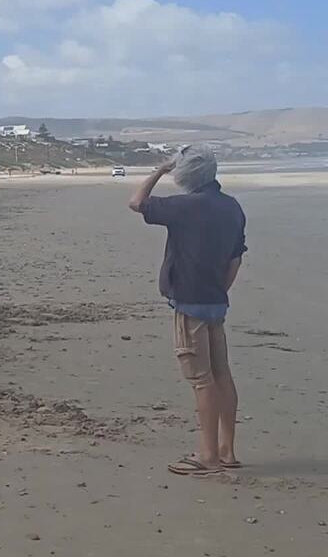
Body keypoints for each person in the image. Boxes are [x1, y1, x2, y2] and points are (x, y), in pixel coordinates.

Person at [128, 145, 247, 477]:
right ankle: (227, 449)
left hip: (190, 302)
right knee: (221, 373)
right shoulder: (232, 207)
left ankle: (208, 454)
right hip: (215, 300)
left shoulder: (185, 206)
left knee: (201, 379)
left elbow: (137, 203)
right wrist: (221, 291)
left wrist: (158, 170)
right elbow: (236, 258)